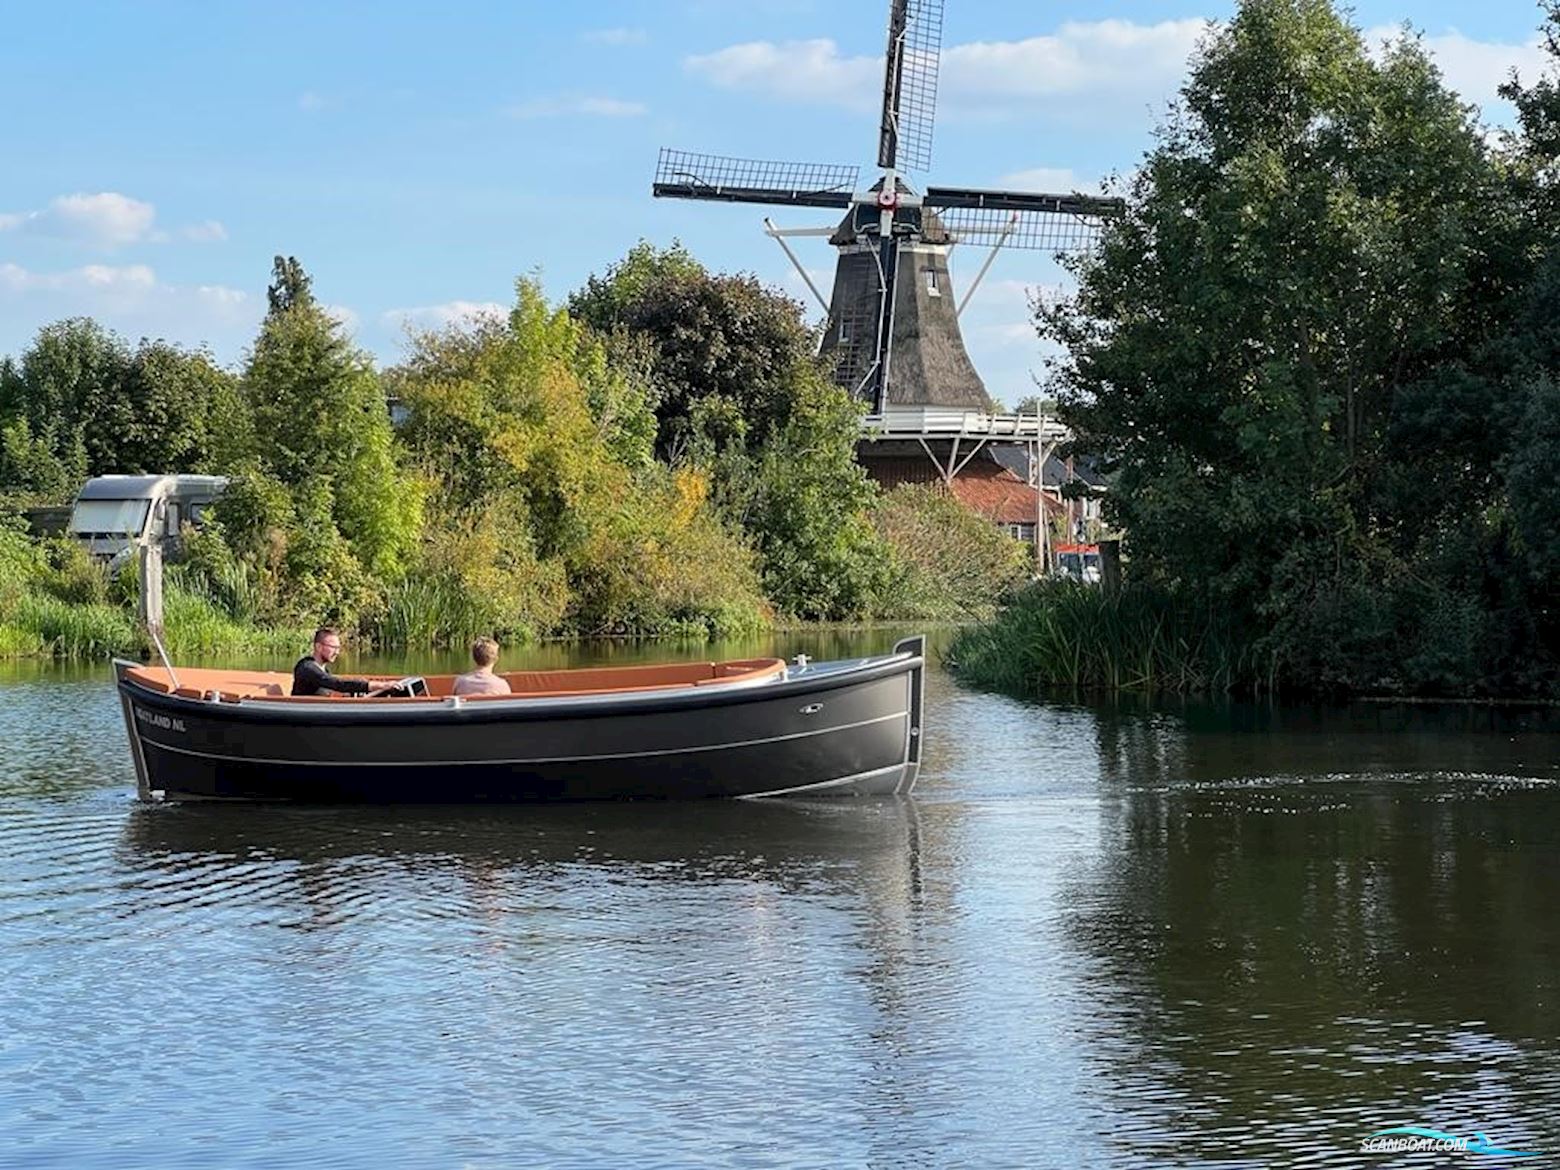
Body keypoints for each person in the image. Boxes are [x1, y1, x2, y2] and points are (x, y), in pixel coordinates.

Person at [292, 627, 400, 697]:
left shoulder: (323, 670)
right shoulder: (307, 668)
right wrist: (379, 685)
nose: (337, 652)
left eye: (338, 648)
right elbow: (336, 684)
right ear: (318, 647)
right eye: (333, 647)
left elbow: (334, 689)